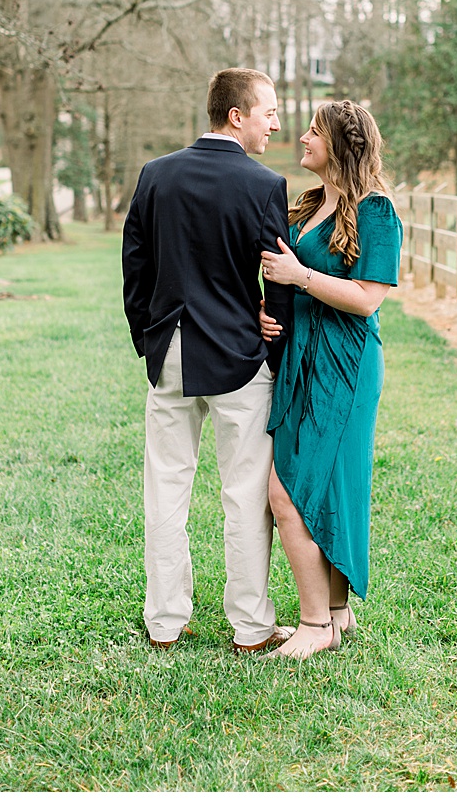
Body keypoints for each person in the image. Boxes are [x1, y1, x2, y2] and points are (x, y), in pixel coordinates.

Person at [122, 67, 294, 654]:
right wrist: (271, 329)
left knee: (165, 487)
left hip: (168, 350)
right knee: (243, 491)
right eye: (268, 111)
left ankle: (164, 622)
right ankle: (251, 627)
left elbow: (135, 268)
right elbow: (280, 274)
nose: (276, 123)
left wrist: (147, 338)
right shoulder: (264, 185)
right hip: (239, 357)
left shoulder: (156, 175)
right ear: (237, 115)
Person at [256, 99, 401, 660]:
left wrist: (302, 275)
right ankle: (337, 616)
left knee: (287, 490)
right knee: (321, 486)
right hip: (300, 358)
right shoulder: (309, 205)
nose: (301, 136)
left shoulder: (377, 211)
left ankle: (313, 624)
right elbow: (282, 281)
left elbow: (367, 301)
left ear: (343, 143)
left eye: (314, 130)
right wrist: (263, 310)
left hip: (346, 364)